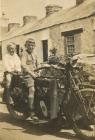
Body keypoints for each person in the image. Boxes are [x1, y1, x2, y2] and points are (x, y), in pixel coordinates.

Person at [21, 38, 38, 119]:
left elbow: (38, 64)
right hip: (27, 75)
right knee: (32, 89)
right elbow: (23, 66)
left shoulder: (35, 54)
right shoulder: (24, 54)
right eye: (29, 45)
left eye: (32, 45)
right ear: (26, 46)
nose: (31, 47)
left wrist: (39, 71)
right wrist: (31, 73)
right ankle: (31, 111)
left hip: (35, 73)